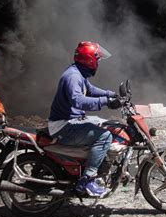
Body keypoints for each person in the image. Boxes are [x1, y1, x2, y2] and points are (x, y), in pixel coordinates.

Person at [48, 41, 122, 197]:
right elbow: (79, 101)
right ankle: (88, 179)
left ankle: (99, 164)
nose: (99, 62)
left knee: (105, 124)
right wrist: (106, 102)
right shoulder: (73, 76)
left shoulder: (78, 73)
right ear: (89, 60)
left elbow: (90, 90)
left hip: (72, 121)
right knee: (104, 136)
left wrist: (110, 94)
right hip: (64, 126)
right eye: (97, 59)